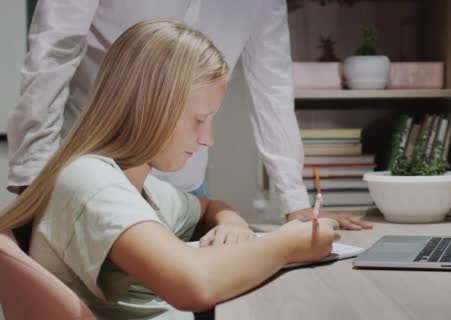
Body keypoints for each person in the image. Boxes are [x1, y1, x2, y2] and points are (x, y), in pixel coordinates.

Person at [0, 20, 340, 320]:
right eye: (199, 120)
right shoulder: (91, 183)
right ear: (151, 107)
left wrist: (231, 222)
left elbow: (208, 207)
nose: (208, 139)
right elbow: (193, 285)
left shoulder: (136, 184)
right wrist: (290, 243)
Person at [7, 0, 372, 242]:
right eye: (201, 119)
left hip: (183, 186)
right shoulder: (94, 191)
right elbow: (52, 52)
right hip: (100, 168)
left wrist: (296, 205)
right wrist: (33, 182)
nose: (209, 138)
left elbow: (273, 87)